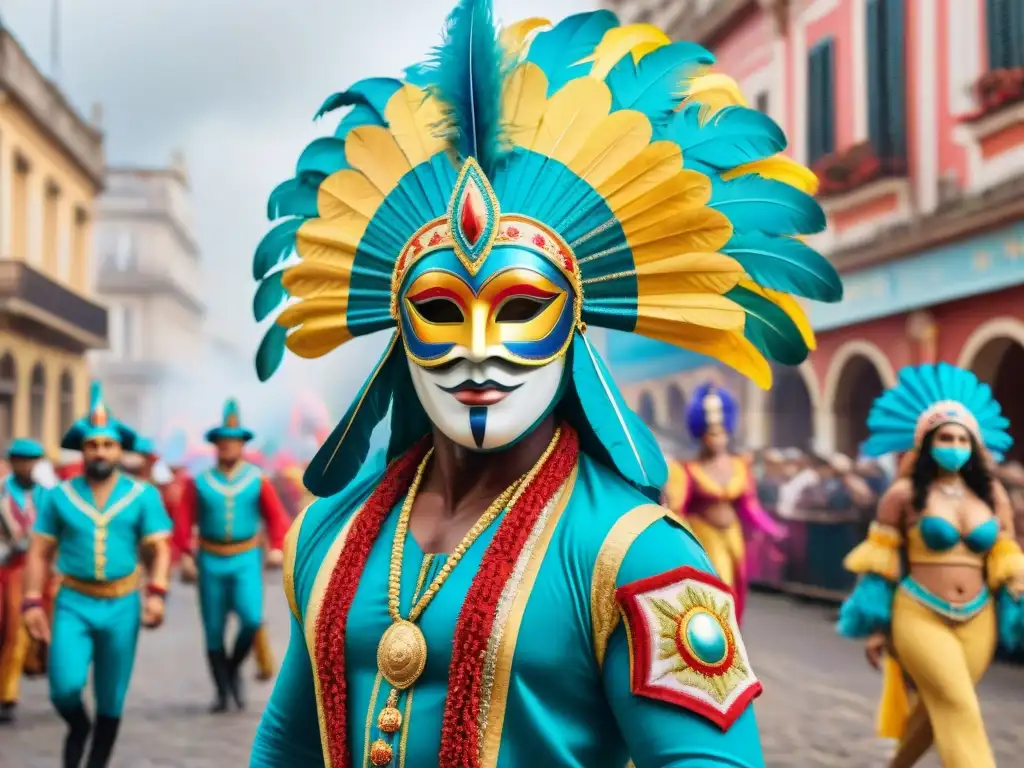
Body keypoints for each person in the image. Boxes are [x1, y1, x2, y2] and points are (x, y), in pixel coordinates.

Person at [245, 2, 842, 764]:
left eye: (521, 307)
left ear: (575, 327)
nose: (479, 348)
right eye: (439, 311)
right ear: (399, 332)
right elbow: (286, 745)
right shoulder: (326, 534)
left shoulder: (639, 557)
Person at [837, 362, 1024, 768]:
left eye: (962, 438)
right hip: (918, 612)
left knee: (944, 703)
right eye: (945, 437)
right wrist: (875, 628)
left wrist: (1018, 591)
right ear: (927, 443)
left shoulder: (992, 494)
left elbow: (1007, 553)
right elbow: (879, 565)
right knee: (959, 704)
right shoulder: (902, 494)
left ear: (974, 445)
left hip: (979, 617)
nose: (954, 444)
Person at [22, 382, 172, 768]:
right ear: (83, 450)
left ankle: (94, 762)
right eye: (93, 445)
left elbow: (160, 548)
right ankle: (77, 724)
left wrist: (156, 593)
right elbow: (39, 551)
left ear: (119, 450)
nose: (100, 451)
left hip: (123, 603)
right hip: (73, 601)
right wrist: (32, 600)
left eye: (108, 445)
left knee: (112, 695)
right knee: (65, 687)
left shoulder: (142, 495)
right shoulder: (59, 496)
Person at [173, 398, 289, 712]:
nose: (228, 447)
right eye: (223, 441)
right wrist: (185, 553)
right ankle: (222, 689)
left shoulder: (257, 479)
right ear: (215, 445)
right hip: (209, 560)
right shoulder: (199, 481)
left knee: (251, 619)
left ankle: (234, 666)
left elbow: (277, 517)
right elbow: (183, 521)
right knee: (213, 629)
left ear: (242, 445)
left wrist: (277, 547)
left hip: (245, 559)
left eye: (233, 442)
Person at [671, 384, 785, 623]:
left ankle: (733, 641)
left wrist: (772, 529)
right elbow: (677, 509)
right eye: (712, 432)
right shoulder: (687, 469)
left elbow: (749, 506)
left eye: (722, 432)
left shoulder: (739, 465)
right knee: (715, 587)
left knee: (737, 587)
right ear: (702, 435)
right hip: (703, 534)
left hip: (732, 536)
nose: (718, 438)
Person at [0, 438, 46, 723]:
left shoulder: (48, 496)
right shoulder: (2, 494)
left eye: (30, 461)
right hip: (9, 568)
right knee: (12, 629)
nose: (25, 466)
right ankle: (7, 694)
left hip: (41, 570)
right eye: (19, 460)